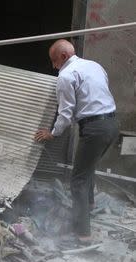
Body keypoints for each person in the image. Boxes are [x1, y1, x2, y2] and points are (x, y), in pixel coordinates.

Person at [34, 39, 118, 243]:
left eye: (54, 61)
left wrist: (53, 133)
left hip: (94, 128)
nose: (54, 66)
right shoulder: (94, 65)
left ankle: (82, 233)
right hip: (112, 123)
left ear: (63, 57)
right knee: (87, 167)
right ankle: (88, 205)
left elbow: (65, 113)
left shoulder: (66, 76)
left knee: (77, 179)